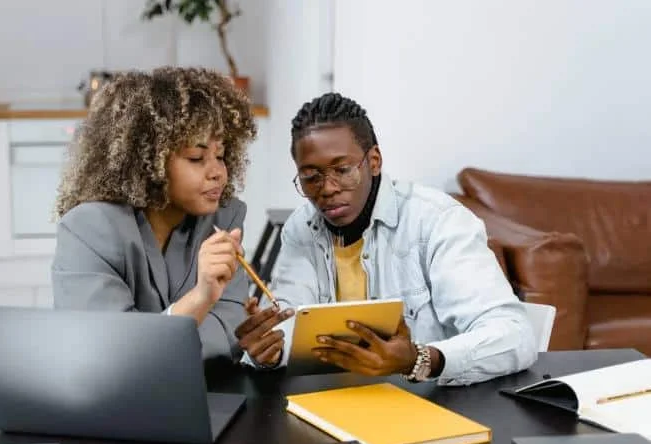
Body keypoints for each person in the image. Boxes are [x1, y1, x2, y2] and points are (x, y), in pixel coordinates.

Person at [241, 92, 538, 385]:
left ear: (374, 160)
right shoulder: (301, 227)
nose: (327, 188)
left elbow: (515, 335)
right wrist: (270, 351)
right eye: (311, 177)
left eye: (342, 170)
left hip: (432, 408)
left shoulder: (437, 220)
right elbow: (290, 325)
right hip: (336, 407)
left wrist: (420, 359)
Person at [51, 67, 290, 365]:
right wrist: (201, 299)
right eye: (196, 158)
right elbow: (105, 352)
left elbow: (230, 330)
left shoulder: (224, 218)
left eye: (220, 155)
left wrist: (150, 341)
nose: (217, 172)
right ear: (148, 161)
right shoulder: (88, 229)